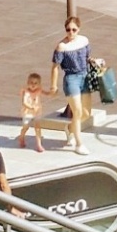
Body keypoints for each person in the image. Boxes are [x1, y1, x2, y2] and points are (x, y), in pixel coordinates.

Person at [49, 16, 91, 154]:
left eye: (74, 29)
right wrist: (53, 85)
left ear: (79, 29)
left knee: (85, 113)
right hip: (71, 78)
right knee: (77, 111)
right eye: (68, 30)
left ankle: (70, 129)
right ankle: (79, 143)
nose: (71, 32)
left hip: (84, 76)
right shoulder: (62, 46)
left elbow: (87, 57)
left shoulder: (84, 41)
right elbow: (55, 66)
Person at [18, 72, 47, 152]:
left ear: (39, 84)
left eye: (35, 83)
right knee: (25, 127)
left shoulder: (39, 90)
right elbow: (24, 102)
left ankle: (39, 144)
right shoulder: (26, 92)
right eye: (31, 83)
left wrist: (53, 92)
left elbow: (47, 93)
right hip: (27, 112)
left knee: (37, 128)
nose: (33, 85)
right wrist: (31, 107)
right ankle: (21, 137)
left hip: (37, 111)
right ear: (28, 83)